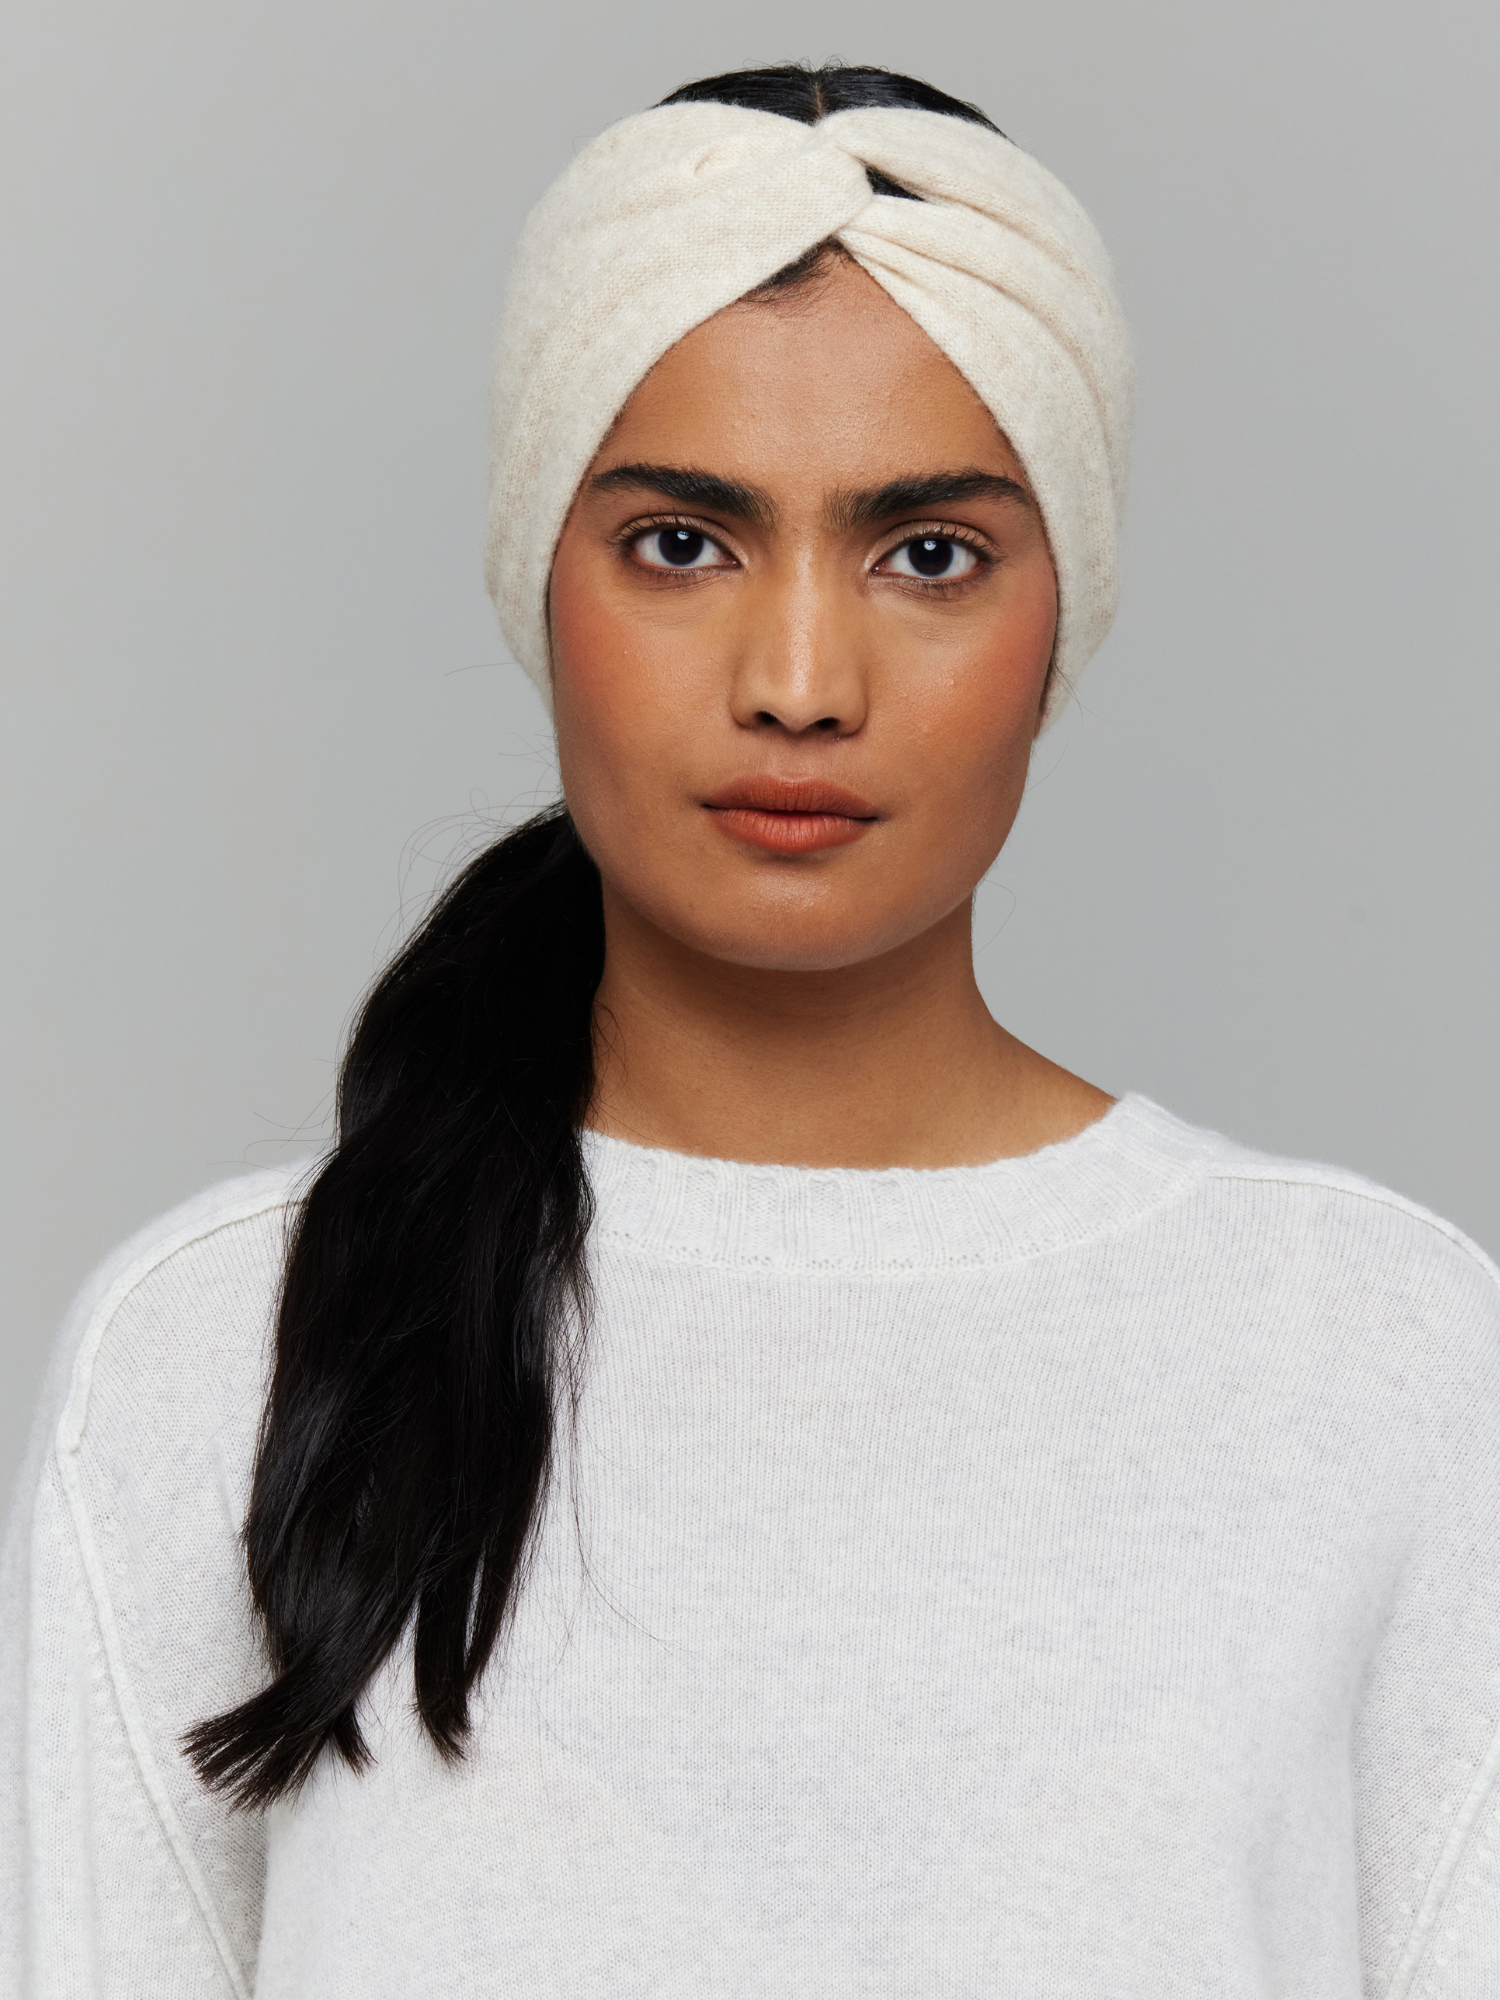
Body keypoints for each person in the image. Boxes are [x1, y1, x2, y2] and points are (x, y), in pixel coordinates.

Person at [3, 60, 1497, 2000]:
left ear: (1065, 614)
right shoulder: (216, 1354)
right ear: (540, 578)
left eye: (928, 552)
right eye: (682, 543)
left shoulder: (1383, 1357)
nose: (799, 681)